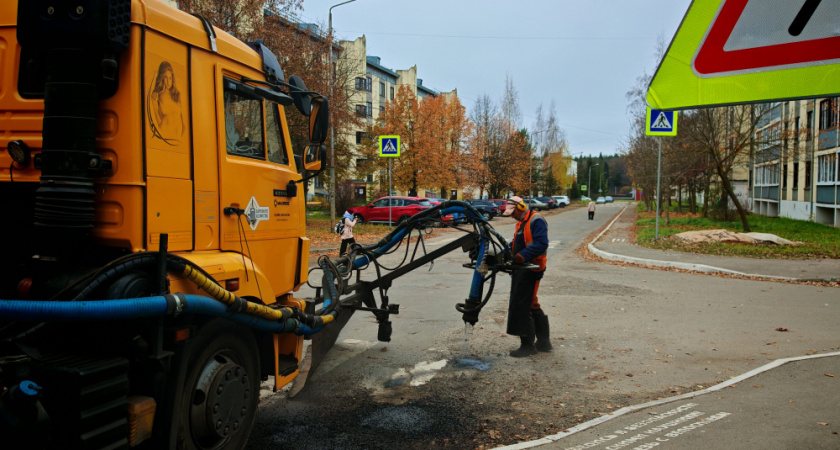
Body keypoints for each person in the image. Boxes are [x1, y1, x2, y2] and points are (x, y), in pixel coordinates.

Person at [503, 196, 552, 357]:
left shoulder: (536, 220)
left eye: (512, 212)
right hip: (524, 266)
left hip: (533, 266)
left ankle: (528, 346)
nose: (512, 216)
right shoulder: (521, 222)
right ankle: (544, 343)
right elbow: (516, 242)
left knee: (524, 303)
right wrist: (505, 252)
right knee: (532, 303)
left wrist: (523, 255)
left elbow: (541, 244)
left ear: (521, 207)